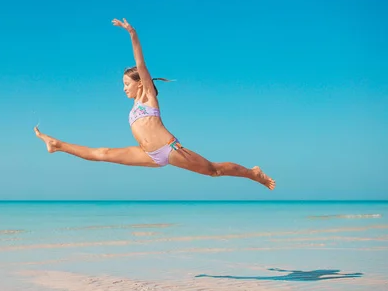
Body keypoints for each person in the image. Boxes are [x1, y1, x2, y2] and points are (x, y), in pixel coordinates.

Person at [34, 18, 275, 190]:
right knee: (103, 153)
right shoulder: (133, 108)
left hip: (170, 150)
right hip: (148, 154)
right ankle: (57, 144)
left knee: (213, 170)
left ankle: (253, 173)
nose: (124, 87)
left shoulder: (148, 96)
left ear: (139, 83)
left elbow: (140, 64)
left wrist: (132, 34)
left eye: (126, 83)